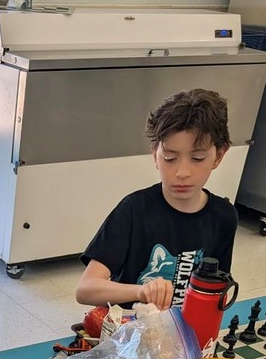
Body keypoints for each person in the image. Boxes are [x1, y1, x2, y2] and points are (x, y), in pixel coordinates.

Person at [76, 89, 237, 313]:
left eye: (197, 158)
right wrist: (140, 291)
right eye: (170, 158)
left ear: (219, 156)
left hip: (184, 331)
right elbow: (85, 289)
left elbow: (216, 289)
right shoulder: (134, 210)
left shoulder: (224, 216)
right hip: (130, 330)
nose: (182, 172)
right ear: (155, 154)